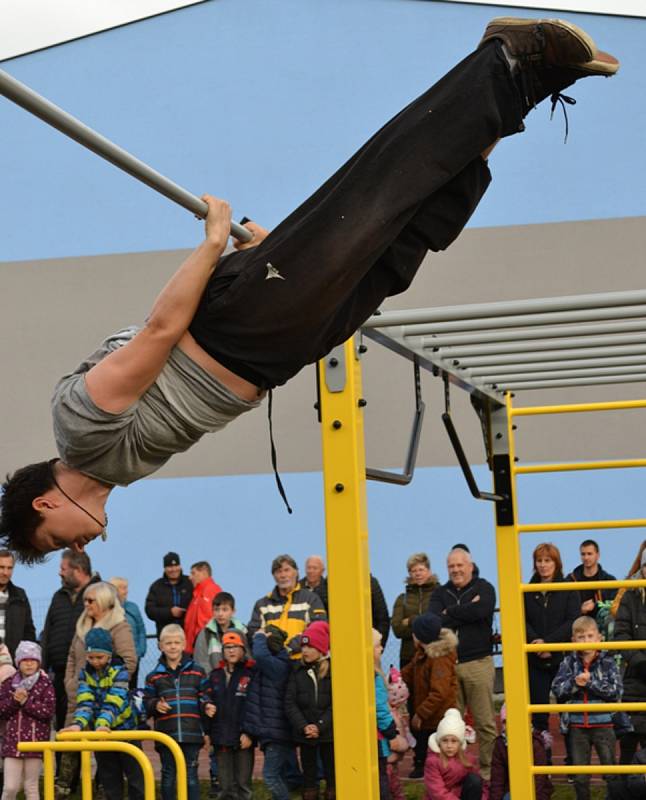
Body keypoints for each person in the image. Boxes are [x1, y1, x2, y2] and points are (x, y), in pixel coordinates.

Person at [0, 18, 620, 562]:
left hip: (247, 324)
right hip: (278, 346)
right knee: (411, 238)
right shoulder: (118, 472)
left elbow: (160, 332)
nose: (77, 546)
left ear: (45, 502)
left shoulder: (79, 429)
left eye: (58, 540)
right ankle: (523, 91)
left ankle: (510, 57)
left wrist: (216, 245)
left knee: (376, 197)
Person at [57, 581, 136, 798]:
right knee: (71, 753)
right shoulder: (82, 625)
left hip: (110, 703)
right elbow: (72, 657)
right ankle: (66, 791)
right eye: (85, 600)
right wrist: (71, 683)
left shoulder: (119, 626)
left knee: (110, 763)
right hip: (81, 697)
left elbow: (129, 661)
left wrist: (109, 684)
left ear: (104, 601)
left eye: (91, 600)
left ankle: (102, 792)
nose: (86, 604)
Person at [427, 546, 497, 780]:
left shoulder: (484, 588)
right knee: (450, 726)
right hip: (448, 666)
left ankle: (488, 774)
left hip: (478, 662)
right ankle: (454, 774)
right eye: (451, 566)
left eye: (460, 565)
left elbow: (483, 609)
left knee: (485, 723)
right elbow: (434, 620)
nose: (456, 570)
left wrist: (451, 612)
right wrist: (466, 610)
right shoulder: (439, 593)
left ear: (470, 566)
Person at [62, 628, 143, 800]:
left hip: (126, 730)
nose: (95, 662)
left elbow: (115, 700)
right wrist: (78, 724)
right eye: (91, 657)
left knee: (136, 779)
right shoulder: (85, 673)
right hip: (102, 733)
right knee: (109, 780)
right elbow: (85, 701)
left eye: (99, 657)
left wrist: (102, 723)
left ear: (109, 654)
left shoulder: (119, 671)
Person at [551, 615, 620, 800]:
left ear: (599, 638)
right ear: (573, 640)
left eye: (590, 636)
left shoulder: (608, 661)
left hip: (604, 724)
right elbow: (557, 689)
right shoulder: (568, 663)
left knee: (611, 770)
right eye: (581, 637)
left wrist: (590, 683)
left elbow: (615, 691)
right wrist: (575, 683)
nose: (586, 641)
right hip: (577, 725)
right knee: (580, 775)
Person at [524, 542, 580, 755]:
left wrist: (549, 643)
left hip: (561, 661)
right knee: (539, 716)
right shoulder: (527, 590)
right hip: (535, 661)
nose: (543, 565)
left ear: (556, 563)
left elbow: (571, 621)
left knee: (567, 714)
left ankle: (573, 764)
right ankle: (542, 763)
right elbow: (522, 620)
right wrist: (536, 642)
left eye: (548, 561)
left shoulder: (567, 589)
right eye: (539, 561)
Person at [143, 623, 208, 800]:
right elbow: (146, 701)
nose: (172, 646)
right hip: (166, 735)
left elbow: (204, 696)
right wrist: (155, 704)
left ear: (184, 644)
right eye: (168, 643)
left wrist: (207, 705)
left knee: (191, 777)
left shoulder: (198, 671)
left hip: (191, 734)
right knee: (168, 776)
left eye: (177, 642)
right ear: (160, 645)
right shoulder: (153, 676)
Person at [41, 549, 100, 733]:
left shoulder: (101, 593)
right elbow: (47, 633)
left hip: (91, 674)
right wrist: (43, 667)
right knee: (62, 727)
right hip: (59, 676)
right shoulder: (59, 597)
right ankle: (62, 763)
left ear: (78, 570)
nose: (60, 572)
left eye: (63, 568)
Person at [401, 611, 458, 781]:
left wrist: (421, 713)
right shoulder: (421, 653)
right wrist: (395, 677)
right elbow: (410, 672)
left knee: (435, 745)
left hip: (438, 716)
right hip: (427, 714)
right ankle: (421, 766)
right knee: (421, 740)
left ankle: (434, 773)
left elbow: (439, 692)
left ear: (421, 636)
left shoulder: (439, 659)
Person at [285, 621, 335, 800]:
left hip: (328, 734)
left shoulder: (333, 672)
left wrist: (320, 726)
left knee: (332, 776)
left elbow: (335, 704)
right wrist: (304, 726)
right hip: (305, 735)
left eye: (310, 646)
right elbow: (290, 703)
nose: (305, 650)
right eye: (303, 645)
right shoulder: (297, 671)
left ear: (321, 648)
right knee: (309, 777)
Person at [242, 625, 293, 800]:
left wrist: (259, 637)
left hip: (277, 733)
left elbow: (260, 655)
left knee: (270, 776)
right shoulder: (270, 666)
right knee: (279, 775)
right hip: (271, 732)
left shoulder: (278, 665)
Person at [204, 630, 255, 800]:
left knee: (243, 785)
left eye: (235, 647)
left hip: (243, 738)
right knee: (225, 787)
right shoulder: (215, 675)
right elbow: (205, 697)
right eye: (227, 647)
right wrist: (206, 706)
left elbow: (255, 707)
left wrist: (249, 733)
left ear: (243, 649)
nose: (231, 651)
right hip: (220, 738)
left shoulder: (250, 674)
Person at [0, 641, 55, 800]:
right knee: (10, 788)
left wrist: (26, 702)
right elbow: (2, 710)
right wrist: (15, 701)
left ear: (39, 662)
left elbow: (47, 712)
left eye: (33, 660)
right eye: (25, 660)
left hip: (36, 742)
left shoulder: (45, 684)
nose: (29, 663)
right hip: (13, 743)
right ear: (18, 662)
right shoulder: (8, 683)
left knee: (31, 787)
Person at [248, 555, 327, 653]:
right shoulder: (262, 605)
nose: (283, 575)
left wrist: (290, 648)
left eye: (287, 570)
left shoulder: (311, 599)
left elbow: (318, 629)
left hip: (301, 662)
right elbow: (253, 634)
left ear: (296, 572)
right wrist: (272, 646)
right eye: (278, 571)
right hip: (273, 662)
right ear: (274, 576)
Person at [613, 547, 646, 764]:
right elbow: (620, 634)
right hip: (635, 677)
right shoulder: (630, 596)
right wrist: (640, 662)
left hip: (635, 673)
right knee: (628, 740)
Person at [489, 704, 553, 800]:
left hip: (536, 792)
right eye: (505, 722)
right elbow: (497, 778)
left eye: (514, 721)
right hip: (510, 790)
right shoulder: (500, 744)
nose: (509, 726)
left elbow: (539, 779)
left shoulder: (535, 743)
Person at [373, 630, 408, 800]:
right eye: (378, 645)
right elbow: (380, 710)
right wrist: (392, 735)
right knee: (382, 782)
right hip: (379, 740)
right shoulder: (376, 677)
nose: (381, 649)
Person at [391, 553, 440, 669]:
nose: (417, 574)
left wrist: (410, 621)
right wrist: (425, 626)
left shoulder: (440, 594)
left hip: (435, 654)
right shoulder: (402, 598)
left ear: (428, 571)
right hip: (409, 657)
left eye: (421, 569)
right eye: (413, 571)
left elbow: (442, 624)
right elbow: (397, 629)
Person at [424, 708, 483, 800]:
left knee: (474, 780)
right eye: (445, 741)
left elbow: (481, 785)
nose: (449, 745)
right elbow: (437, 792)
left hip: (459, 795)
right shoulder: (433, 761)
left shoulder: (467, 758)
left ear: (460, 743)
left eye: (454, 741)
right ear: (439, 742)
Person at [193, 591, 248, 673]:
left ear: (233, 611)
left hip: (240, 681)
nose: (220, 614)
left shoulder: (243, 631)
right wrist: (213, 681)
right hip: (213, 683)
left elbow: (249, 659)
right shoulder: (205, 633)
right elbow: (201, 662)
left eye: (225, 610)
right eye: (216, 610)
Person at [567, 540, 617, 628]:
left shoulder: (609, 580)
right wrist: (580, 609)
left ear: (598, 555)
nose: (586, 557)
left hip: (601, 629)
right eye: (583, 554)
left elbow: (614, 606)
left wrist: (595, 606)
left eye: (589, 554)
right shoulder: (569, 580)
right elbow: (563, 608)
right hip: (575, 628)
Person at [109, 577, 147, 688]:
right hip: (115, 659)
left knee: (132, 687)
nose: (127, 591)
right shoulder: (107, 609)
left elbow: (141, 629)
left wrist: (140, 651)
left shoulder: (133, 607)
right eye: (123, 588)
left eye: (126, 588)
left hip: (134, 657)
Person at [144, 552, 193, 637]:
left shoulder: (190, 583)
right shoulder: (156, 586)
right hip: (166, 637)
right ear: (165, 568)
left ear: (180, 566)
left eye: (176, 565)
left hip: (189, 636)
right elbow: (149, 610)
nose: (173, 569)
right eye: (170, 566)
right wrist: (169, 612)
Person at [0, 551, 35, 658]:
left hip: (13, 664)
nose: (5, 572)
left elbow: (28, 631)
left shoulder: (21, 596)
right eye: (1, 567)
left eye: (9, 568)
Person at [184, 561, 223, 654]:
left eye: (193, 573)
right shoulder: (197, 595)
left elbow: (207, 620)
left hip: (203, 647)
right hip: (194, 648)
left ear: (204, 572)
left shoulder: (211, 590)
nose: (190, 577)